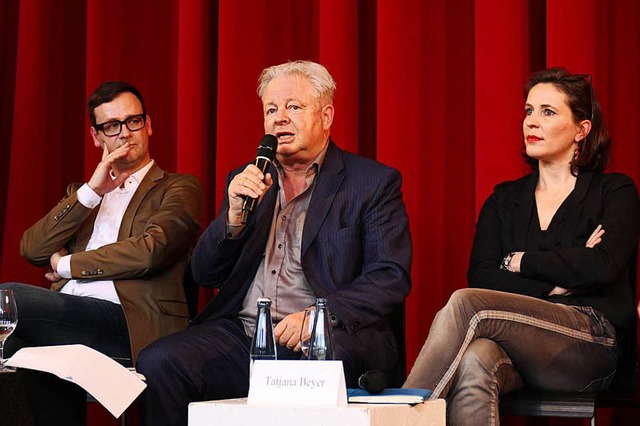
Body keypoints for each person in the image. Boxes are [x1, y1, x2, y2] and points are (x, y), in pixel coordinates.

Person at [136, 60, 412, 426]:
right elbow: (205, 273)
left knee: (320, 369)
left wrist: (318, 319)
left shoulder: (371, 183)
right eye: (271, 109)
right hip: (247, 336)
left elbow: (389, 276)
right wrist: (232, 218)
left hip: (328, 340)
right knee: (160, 362)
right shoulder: (248, 179)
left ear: (326, 116)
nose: (279, 118)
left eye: (293, 107)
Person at [403, 68, 640, 425]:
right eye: (529, 111)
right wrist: (562, 281)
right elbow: (482, 274)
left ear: (581, 129)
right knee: (475, 358)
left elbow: (602, 266)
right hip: (520, 348)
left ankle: (399, 416)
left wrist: (520, 261)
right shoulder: (503, 200)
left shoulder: (614, 192)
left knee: (468, 303)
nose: (532, 121)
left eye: (548, 112)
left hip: (590, 345)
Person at [1, 81, 203, 366]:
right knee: (11, 347)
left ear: (148, 126)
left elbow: (150, 251)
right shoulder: (81, 197)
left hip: (129, 320)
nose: (125, 134)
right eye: (112, 126)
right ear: (97, 137)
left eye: (133, 121)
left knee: (5, 299)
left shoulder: (178, 187)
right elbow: (32, 249)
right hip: (70, 314)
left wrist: (65, 265)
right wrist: (91, 192)